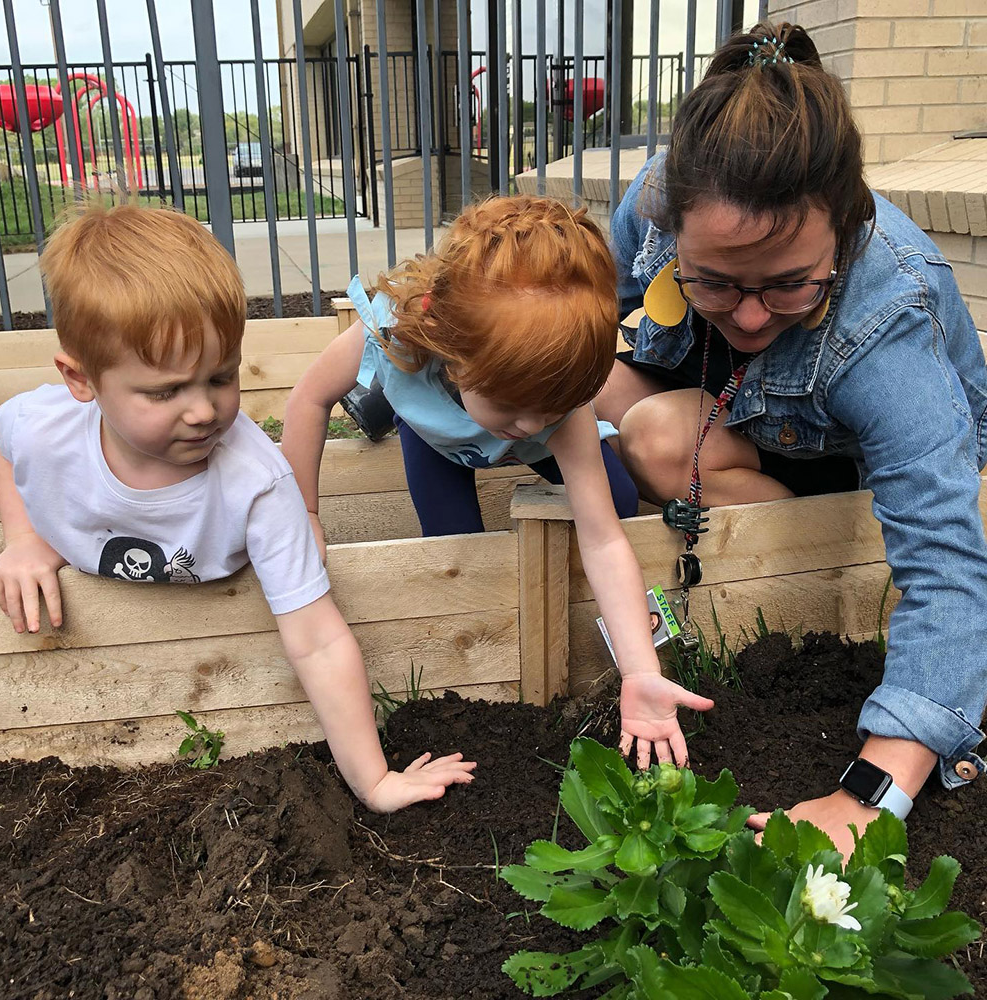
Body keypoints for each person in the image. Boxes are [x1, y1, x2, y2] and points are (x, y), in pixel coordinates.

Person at [598, 22, 987, 856]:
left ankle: (791, 544)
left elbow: (949, 570)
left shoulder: (889, 328)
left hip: (837, 448)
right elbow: (584, 305)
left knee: (658, 440)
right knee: (587, 387)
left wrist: (871, 793)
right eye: (713, 281)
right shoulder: (658, 199)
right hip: (746, 403)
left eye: (787, 286)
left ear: (842, 232)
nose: (745, 313)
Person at [0, 203, 475, 813]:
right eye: (165, 391)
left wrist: (374, 782)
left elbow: (318, 641)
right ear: (81, 380)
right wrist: (25, 536)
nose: (202, 411)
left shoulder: (257, 483)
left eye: (220, 377)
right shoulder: (46, 429)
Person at [282, 195, 714, 770]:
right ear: (451, 348)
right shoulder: (395, 337)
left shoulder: (550, 415)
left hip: (532, 442)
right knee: (459, 552)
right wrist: (304, 514)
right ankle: (393, 407)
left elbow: (604, 538)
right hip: (436, 439)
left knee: (616, 498)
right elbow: (308, 399)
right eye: (514, 404)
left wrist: (639, 670)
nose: (533, 422)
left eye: (554, 402)